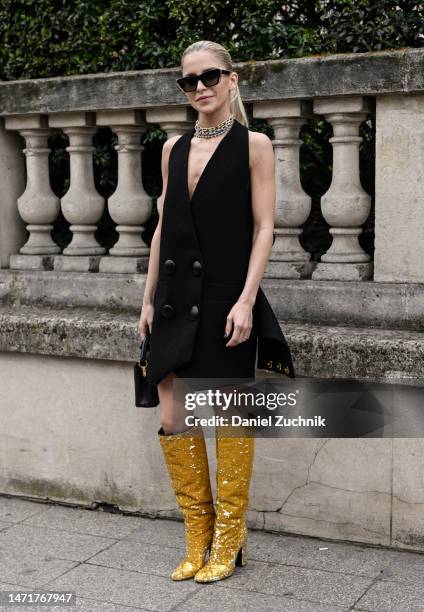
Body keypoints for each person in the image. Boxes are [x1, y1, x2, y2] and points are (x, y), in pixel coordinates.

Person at [138, 40, 295, 583]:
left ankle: (229, 540)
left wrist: (248, 298)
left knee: (227, 416)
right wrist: (146, 297)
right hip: (174, 299)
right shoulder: (171, 149)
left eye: (209, 76)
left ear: (232, 79)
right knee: (172, 415)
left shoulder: (255, 144)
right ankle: (196, 536)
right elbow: (163, 226)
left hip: (228, 296)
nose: (199, 87)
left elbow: (264, 228)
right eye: (188, 81)